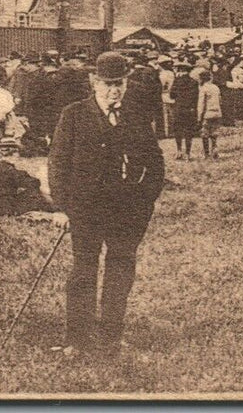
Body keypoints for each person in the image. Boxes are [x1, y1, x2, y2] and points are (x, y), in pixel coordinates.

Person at [47, 51, 165, 355]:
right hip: (85, 211)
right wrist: (62, 206)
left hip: (127, 212)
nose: (115, 90)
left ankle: (112, 335)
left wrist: (144, 202)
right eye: (108, 84)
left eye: (120, 84)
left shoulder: (136, 115)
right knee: (83, 271)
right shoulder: (73, 115)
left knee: (120, 270)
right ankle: (77, 339)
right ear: (94, 82)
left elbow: (155, 164)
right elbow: (58, 163)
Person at [0, 136, 56, 217]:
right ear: (14, 153)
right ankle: (55, 209)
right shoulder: (11, 170)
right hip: (4, 210)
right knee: (33, 193)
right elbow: (33, 183)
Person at [168, 60, 199, 160]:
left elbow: (172, 95)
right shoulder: (194, 82)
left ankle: (179, 150)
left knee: (178, 130)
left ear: (180, 70)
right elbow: (196, 97)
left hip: (178, 108)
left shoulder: (177, 81)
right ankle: (188, 153)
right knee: (188, 131)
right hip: (190, 109)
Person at [196, 68, 223, 159]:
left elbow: (201, 104)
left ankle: (206, 153)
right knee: (214, 132)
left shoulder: (203, 89)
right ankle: (214, 148)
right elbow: (220, 100)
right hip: (217, 112)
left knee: (205, 134)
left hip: (207, 114)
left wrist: (199, 117)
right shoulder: (216, 87)